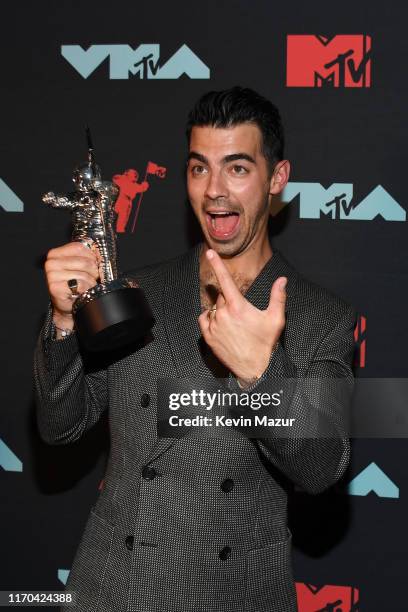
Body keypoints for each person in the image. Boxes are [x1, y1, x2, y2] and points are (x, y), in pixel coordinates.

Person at [33, 86, 356, 612]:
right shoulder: (139, 292)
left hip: (226, 595)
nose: (214, 192)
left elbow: (322, 466)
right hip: (108, 589)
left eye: (237, 168)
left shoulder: (321, 315)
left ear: (277, 179)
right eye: (199, 168)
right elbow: (59, 424)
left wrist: (260, 374)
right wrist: (66, 321)